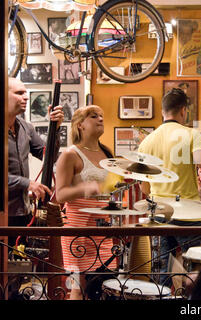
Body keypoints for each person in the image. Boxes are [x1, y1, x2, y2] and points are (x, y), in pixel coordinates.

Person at [138, 88, 201, 286]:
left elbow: (144, 188)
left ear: (163, 111)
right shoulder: (191, 134)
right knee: (197, 270)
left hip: (159, 212)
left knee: (163, 271)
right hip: (189, 212)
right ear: (183, 111)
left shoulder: (147, 141)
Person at [55, 105, 121, 300]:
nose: (100, 119)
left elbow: (110, 189)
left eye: (101, 116)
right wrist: (85, 188)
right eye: (94, 116)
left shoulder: (107, 153)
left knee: (105, 281)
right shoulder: (70, 154)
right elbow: (60, 195)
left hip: (102, 228)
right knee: (77, 286)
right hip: (77, 229)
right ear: (80, 125)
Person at [7, 77, 64, 300]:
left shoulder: (25, 127)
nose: (25, 97)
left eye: (26, 93)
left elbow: (48, 154)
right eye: (19, 93)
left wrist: (55, 129)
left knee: (16, 266)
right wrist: (26, 183)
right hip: (3, 213)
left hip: (21, 212)